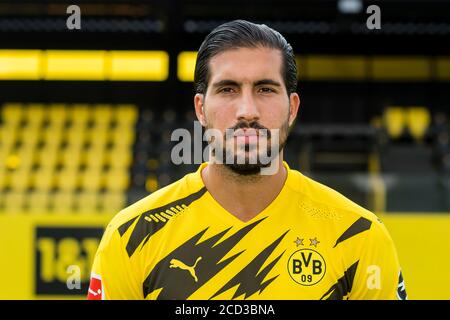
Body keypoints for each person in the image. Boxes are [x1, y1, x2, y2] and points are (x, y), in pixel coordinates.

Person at [87, 20, 407, 300]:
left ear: (292, 108)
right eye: (228, 89)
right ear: (200, 109)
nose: (247, 111)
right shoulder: (132, 236)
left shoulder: (359, 236)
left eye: (265, 89)